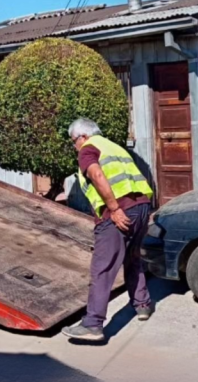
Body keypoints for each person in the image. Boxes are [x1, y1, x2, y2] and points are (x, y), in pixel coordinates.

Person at [62, 118, 155, 342]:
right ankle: (142, 305)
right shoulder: (114, 147)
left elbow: (96, 174)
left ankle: (93, 324)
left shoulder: (88, 149)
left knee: (102, 268)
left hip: (118, 212)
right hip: (141, 208)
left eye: (73, 141)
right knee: (132, 259)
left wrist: (113, 208)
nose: (75, 146)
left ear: (82, 137)